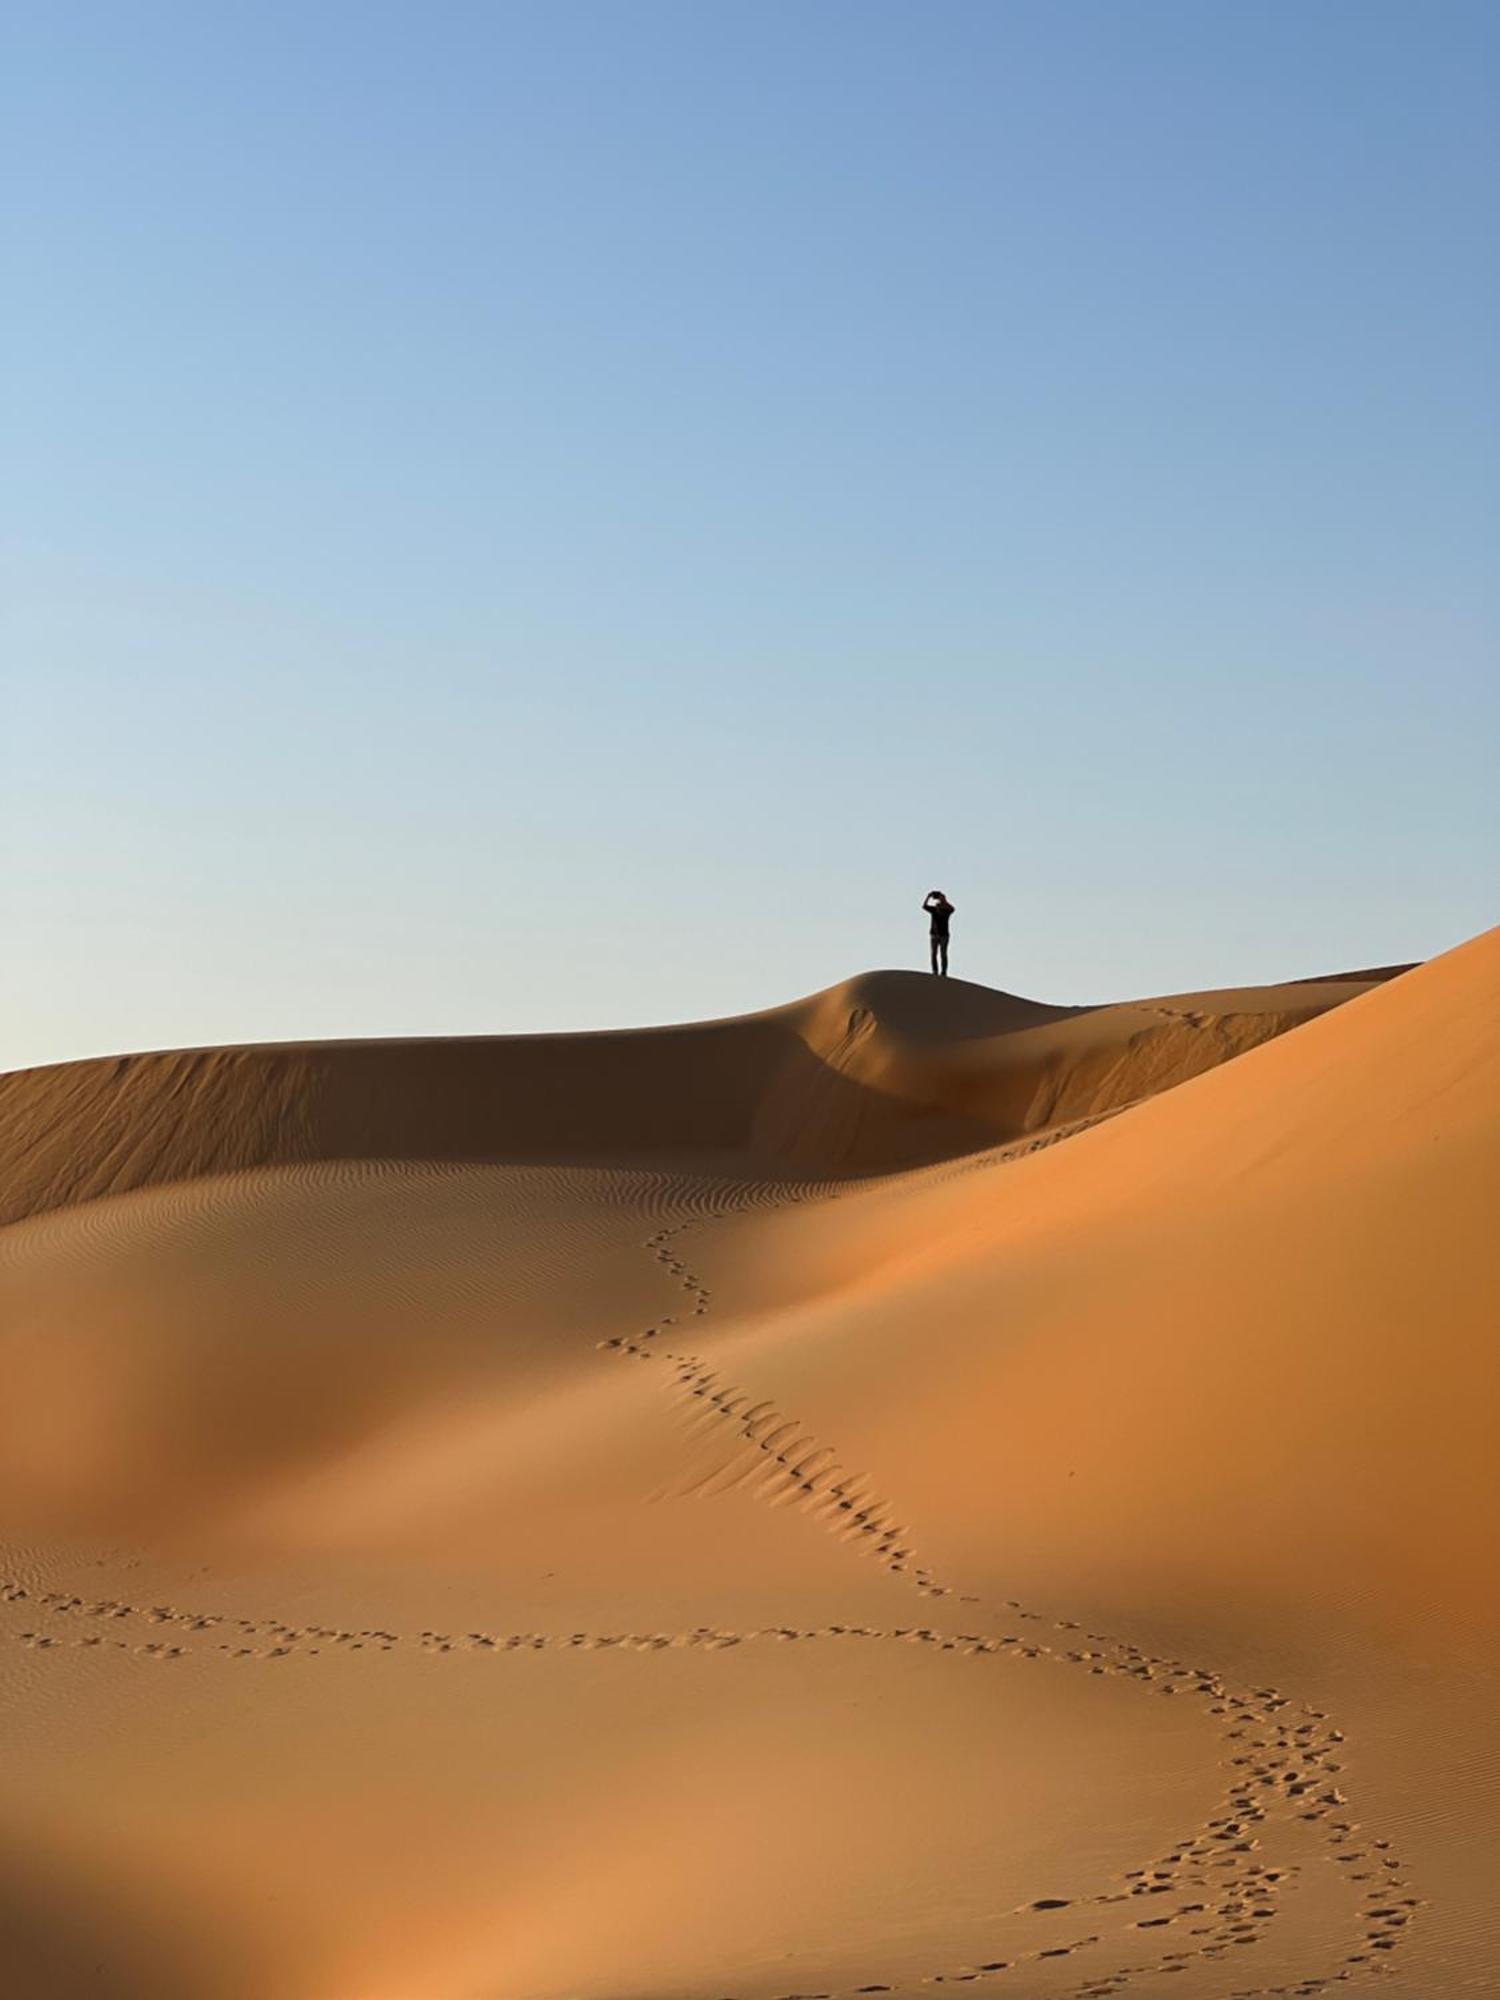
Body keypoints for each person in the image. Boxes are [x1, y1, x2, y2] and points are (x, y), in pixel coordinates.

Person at [922, 889, 954, 977]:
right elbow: (924, 906)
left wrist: (944, 900)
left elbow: (953, 909)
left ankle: (943, 972)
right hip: (934, 935)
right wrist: (928, 897)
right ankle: (935, 971)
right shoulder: (934, 909)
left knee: (943, 954)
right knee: (934, 954)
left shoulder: (946, 910)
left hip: (944, 935)